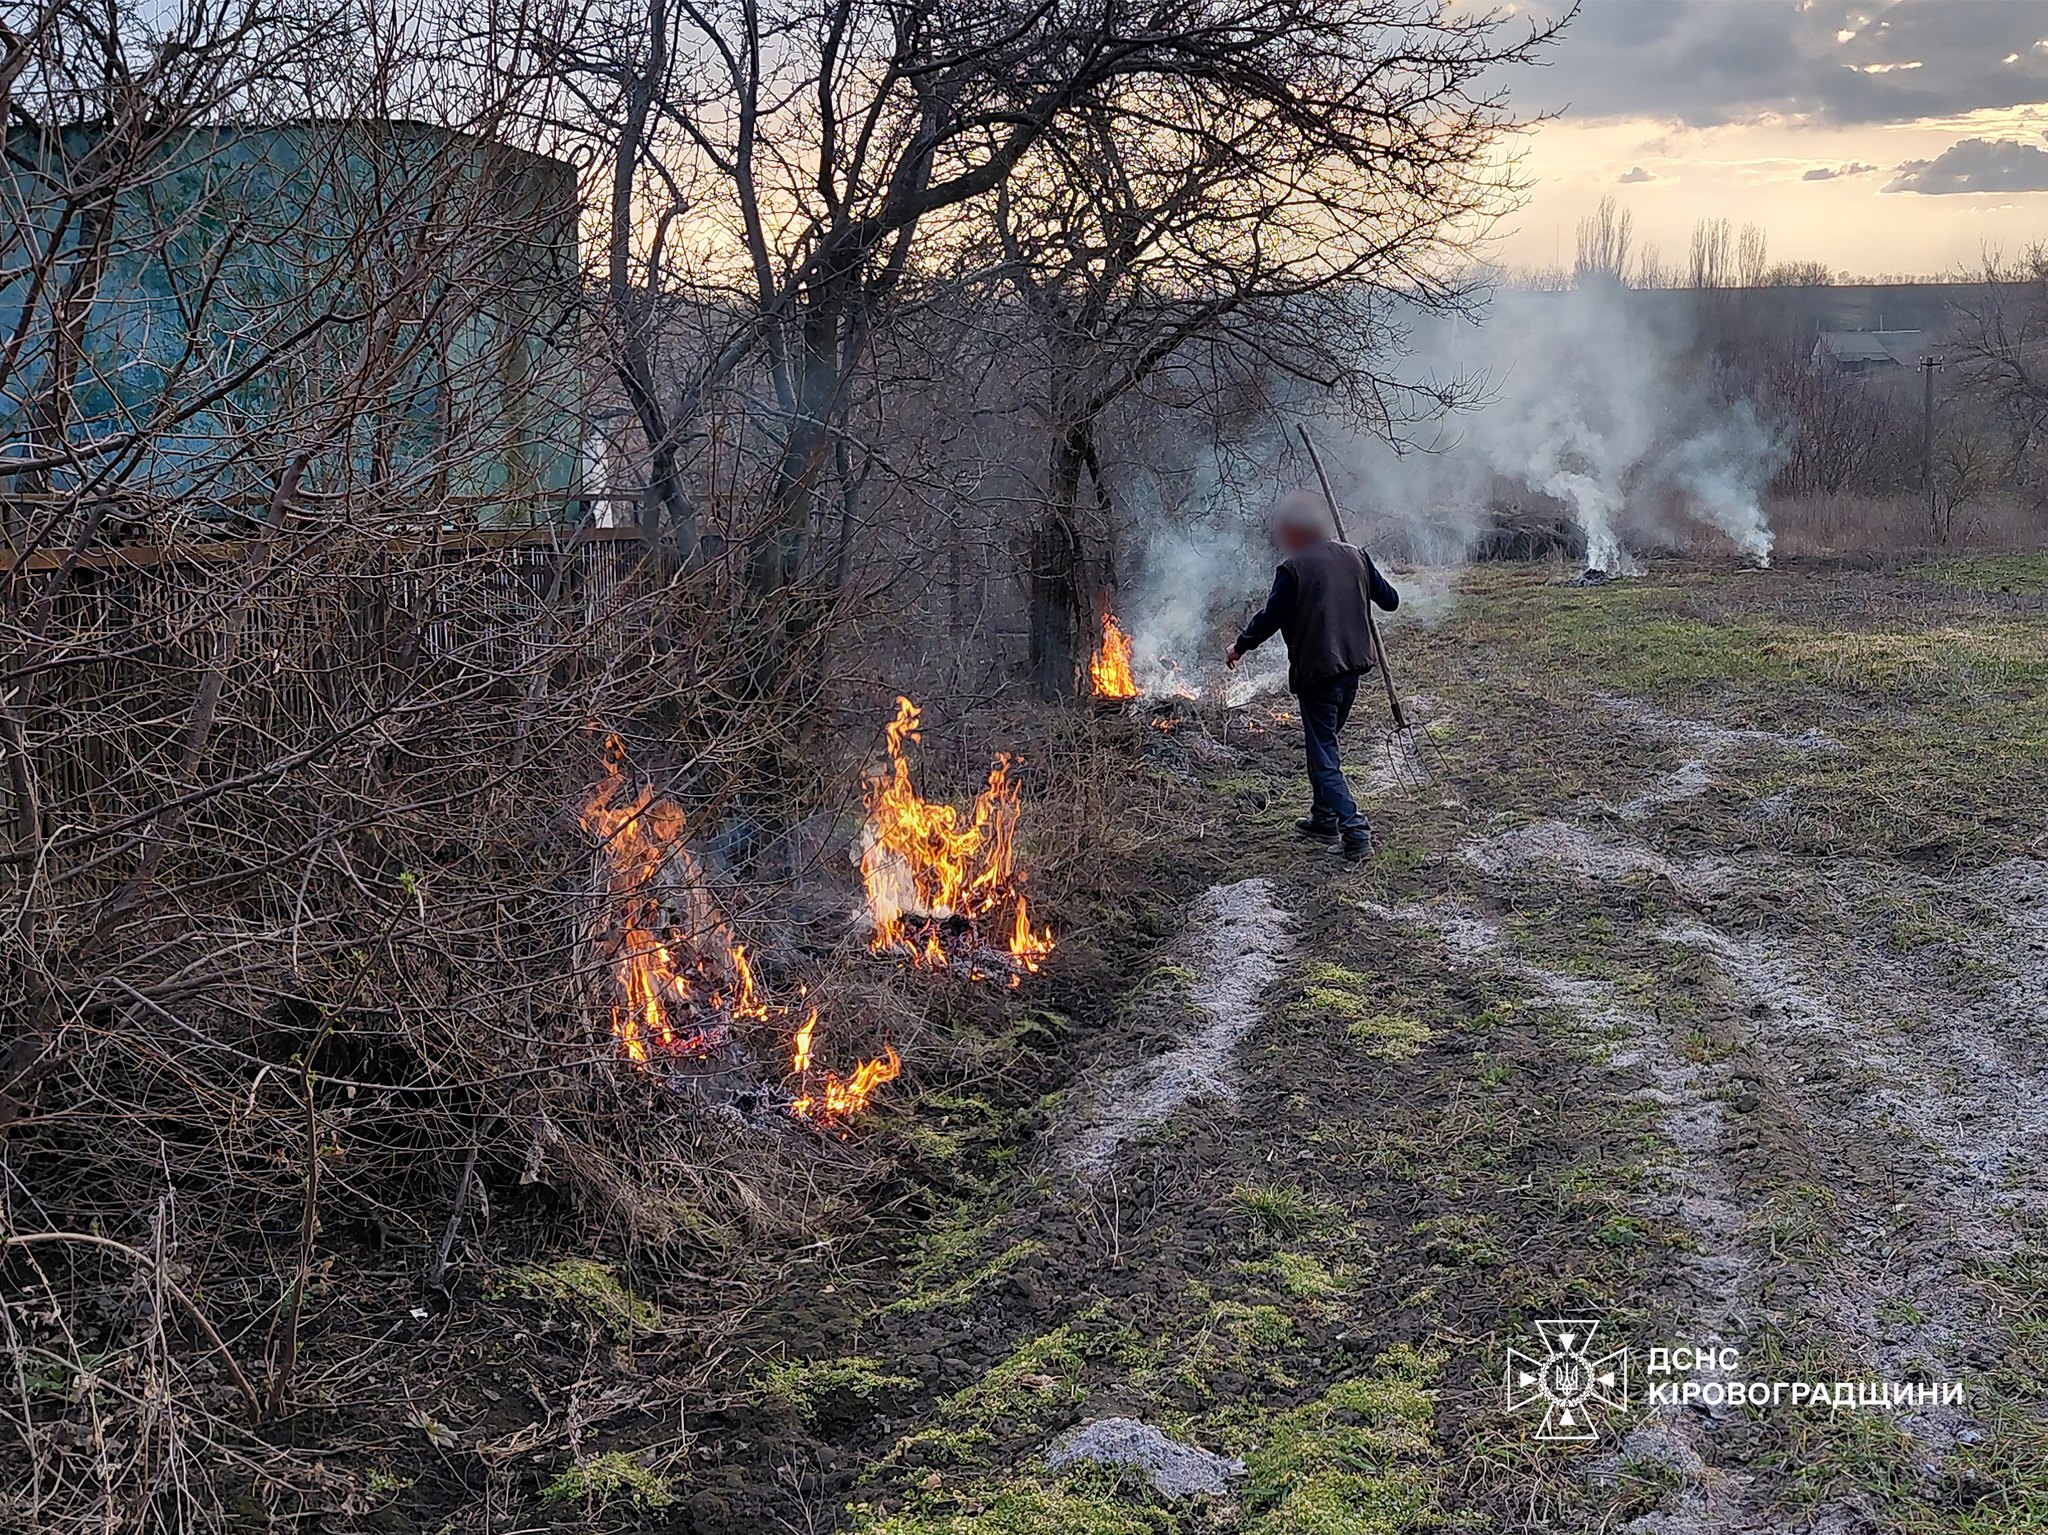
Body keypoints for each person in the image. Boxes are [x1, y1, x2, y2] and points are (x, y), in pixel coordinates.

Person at [1224, 489, 1399, 861]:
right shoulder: (1355, 556)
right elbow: (1391, 600)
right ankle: (1323, 818)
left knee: (1324, 755)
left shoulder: (1294, 569)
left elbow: (1270, 618)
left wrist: (1239, 646)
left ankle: (1354, 830)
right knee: (1325, 746)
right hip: (1353, 668)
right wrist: (1362, 576)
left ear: (1296, 532)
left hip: (1319, 671)